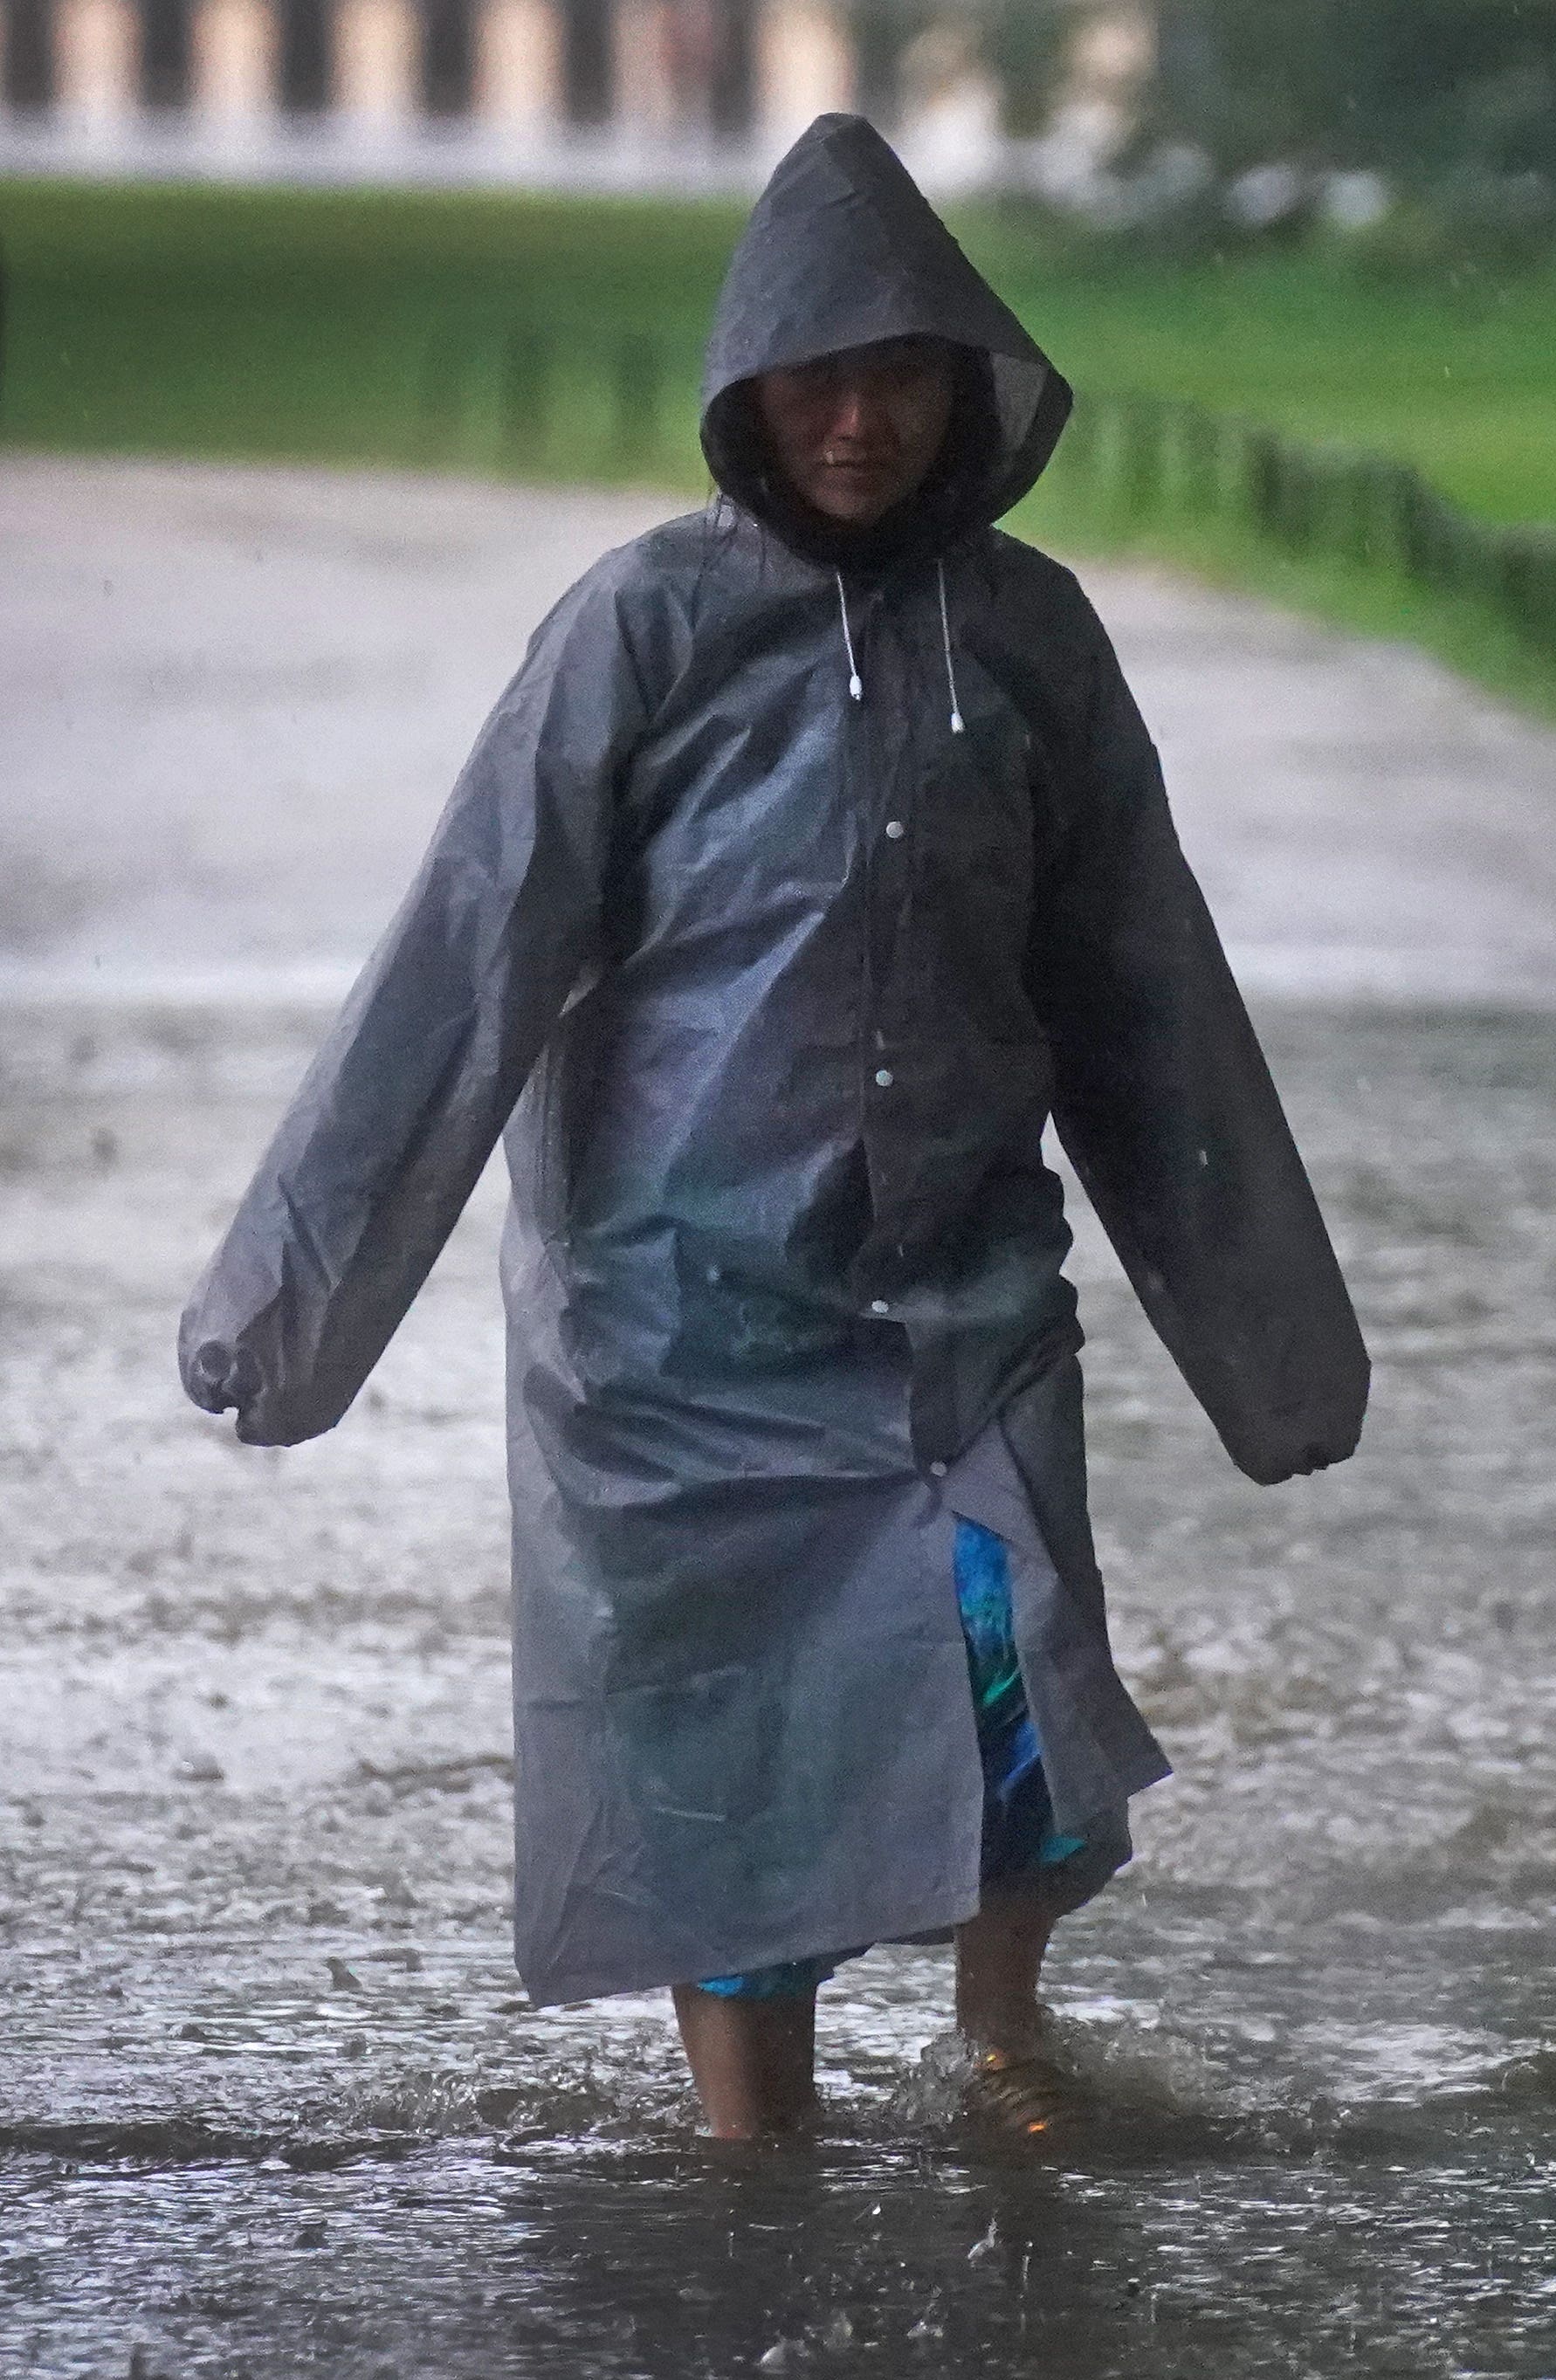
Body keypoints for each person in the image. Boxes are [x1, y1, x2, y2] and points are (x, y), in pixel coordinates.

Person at [176, 115, 1367, 2142]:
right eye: (813, 378)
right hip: (676, 1338)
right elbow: (465, 961)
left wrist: (1277, 1349)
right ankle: (755, 2171)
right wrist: (288, 1311)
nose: (855, 421)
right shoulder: (637, 630)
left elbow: (1144, 990)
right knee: (723, 1770)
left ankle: (1005, 2048)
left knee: (1020, 1686)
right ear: (745, 397)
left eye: (897, 375)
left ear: (965, 392)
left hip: (962, 1302)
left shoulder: (1031, 637)